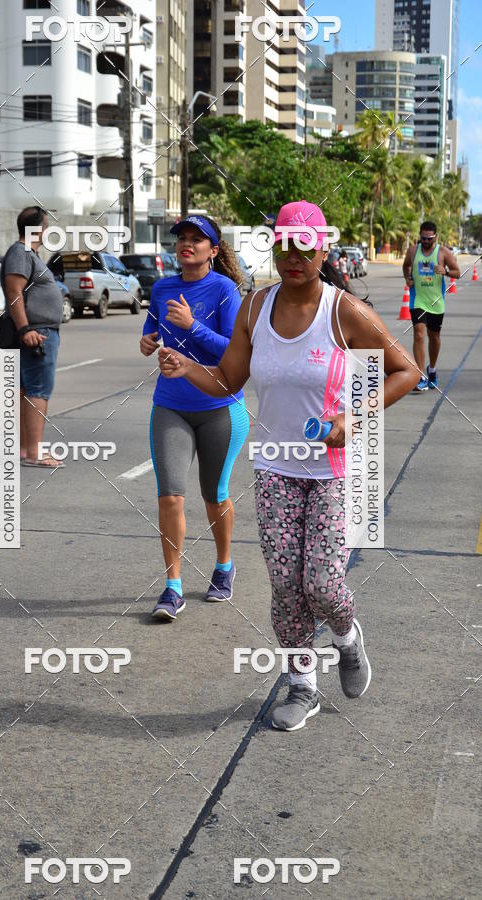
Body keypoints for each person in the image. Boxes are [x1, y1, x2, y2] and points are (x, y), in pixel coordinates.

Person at [158, 200, 419, 729]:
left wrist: (354, 416)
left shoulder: (344, 310)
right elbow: (229, 380)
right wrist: (188, 367)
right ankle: (303, 685)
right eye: (284, 245)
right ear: (273, 247)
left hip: (335, 470)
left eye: (305, 245)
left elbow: (406, 370)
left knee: (321, 583)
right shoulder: (255, 308)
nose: (294, 256)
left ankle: (347, 638)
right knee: (285, 585)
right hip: (276, 469)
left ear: (322, 248)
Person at [140, 215, 250, 621]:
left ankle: (224, 566)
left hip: (220, 407)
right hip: (170, 404)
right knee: (170, 495)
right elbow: (153, 329)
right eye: (182, 239)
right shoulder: (163, 287)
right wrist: (148, 340)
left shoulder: (224, 290)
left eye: (197, 240)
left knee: (214, 496)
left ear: (213, 250)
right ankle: (173, 587)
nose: (187, 245)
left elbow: (232, 354)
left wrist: (193, 326)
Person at [0, 206, 65, 468]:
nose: (48, 230)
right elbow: (14, 291)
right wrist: (25, 329)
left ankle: (25, 450)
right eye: (45, 226)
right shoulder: (20, 252)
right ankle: (35, 452)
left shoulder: (29, 254)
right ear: (36, 228)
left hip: (37, 330)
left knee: (26, 390)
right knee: (38, 390)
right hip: (36, 332)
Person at [402, 220, 460, 392]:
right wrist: (407, 277)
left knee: (434, 337)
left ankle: (432, 370)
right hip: (417, 300)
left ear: (436, 237)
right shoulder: (413, 250)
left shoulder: (443, 252)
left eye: (429, 239)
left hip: (436, 302)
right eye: (423, 238)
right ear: (419, 236)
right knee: (419, 334)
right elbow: (406, 266)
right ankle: (421, 375)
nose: (426, 242)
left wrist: (446, 272)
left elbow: (457, 272)